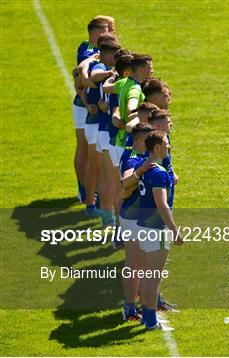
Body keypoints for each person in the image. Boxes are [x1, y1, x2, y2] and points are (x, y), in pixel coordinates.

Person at [136, 131, 183, 330]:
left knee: (148, 274)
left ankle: (147, 317)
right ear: (157, 148)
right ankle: (150, 320)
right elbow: (162, 205)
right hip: (156, 228)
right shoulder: (159, 173)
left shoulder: (145, 167)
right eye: (165, 143)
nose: (168, 146)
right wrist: (174, 229)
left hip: (142, 225)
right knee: (153, 277)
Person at [118, 123, 155, 320]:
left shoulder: (140, 157)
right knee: (135, 263)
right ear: (141, 140)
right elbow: (125, 182)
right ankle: (130, 307)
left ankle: (141, 303)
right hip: (133, 217)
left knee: (141, 262)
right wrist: (140, 171)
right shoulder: (133, 159)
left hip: (141, 216)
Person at [72, 18, 109, 203]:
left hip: (92, 104)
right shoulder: (87, 48)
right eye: (106, 30)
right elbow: (79, 72)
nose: (110, 32)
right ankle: (83, 190)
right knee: (84, 148)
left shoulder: (100, 50)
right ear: (96, 33)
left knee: (97, 152)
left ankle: (92, 191)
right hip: (82, 104)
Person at [83, 38, 121, 218]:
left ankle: (105, 213)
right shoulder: (102, 68)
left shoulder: (106, 71)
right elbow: (93, 78)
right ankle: (106, 215)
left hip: (102, 128)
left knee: (106, 176)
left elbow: (83, 86)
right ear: (109, 55)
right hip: (105, 129)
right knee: (109, 177)